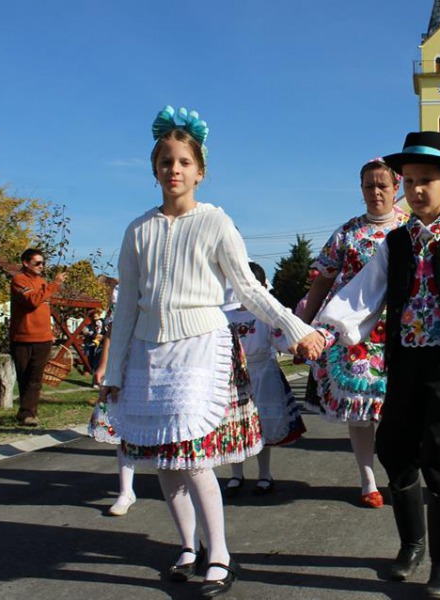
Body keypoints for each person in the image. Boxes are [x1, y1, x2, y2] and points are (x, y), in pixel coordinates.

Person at [99, 105, 324, 598]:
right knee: (163, 458)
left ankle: (219, 552)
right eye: (165, 162)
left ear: (200, 171)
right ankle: (186, 545)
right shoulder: (138, 230)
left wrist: (295, 325)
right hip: (147, 353)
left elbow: (248, 289)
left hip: (200, 347)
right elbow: (128, 306)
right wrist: (115, 370)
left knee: (193, 455)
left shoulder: (217, 222)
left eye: (183, 162)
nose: (174, 170)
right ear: (154, 169)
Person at [314, 132, 440, 599]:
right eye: (410, 180)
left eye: (427, 180)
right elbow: (364, 292)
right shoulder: (396, 241)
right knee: (395, 448)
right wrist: (328, 329)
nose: (417, 189)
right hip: (403, 362)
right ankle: (412, 545)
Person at [300, 158, 408, 508]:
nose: (375, 192)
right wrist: (306, 326)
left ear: (396, 188)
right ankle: (368, 480)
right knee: (362, 412)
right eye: (368, 186)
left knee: (398, 408)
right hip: (357, 337)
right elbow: (324, 280)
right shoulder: (348, 232)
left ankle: (400, 476)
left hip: (403, 331)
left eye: (383, 186)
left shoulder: (411, 228)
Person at [222, 262, 306, 498]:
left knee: (263, 426)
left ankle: (265, 475)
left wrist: (297, 347)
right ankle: (236, 474)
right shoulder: (224, 315)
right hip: (233, 378)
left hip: (263, 374)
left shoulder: (266, 316)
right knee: (234, 426)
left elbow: (281, 340)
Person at [89, 285, 138, 516]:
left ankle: (175, 483)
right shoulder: (123, 289)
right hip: (126, 365)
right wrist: (104, 366)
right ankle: (125, 490)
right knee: (124, 429)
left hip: (158, 363)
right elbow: (112, 331)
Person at [9, 248, 67, 427]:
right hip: (22, 338)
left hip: (43, 338)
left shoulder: (43, 282)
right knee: (24, 376)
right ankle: (25, 412)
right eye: (38, 263)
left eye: (43, 263)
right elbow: (32, 301)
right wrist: (54, 285)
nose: (41, 266)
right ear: (26, 263)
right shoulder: (19, 281)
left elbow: (44, 305)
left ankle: (28, 414)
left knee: (35, 377)